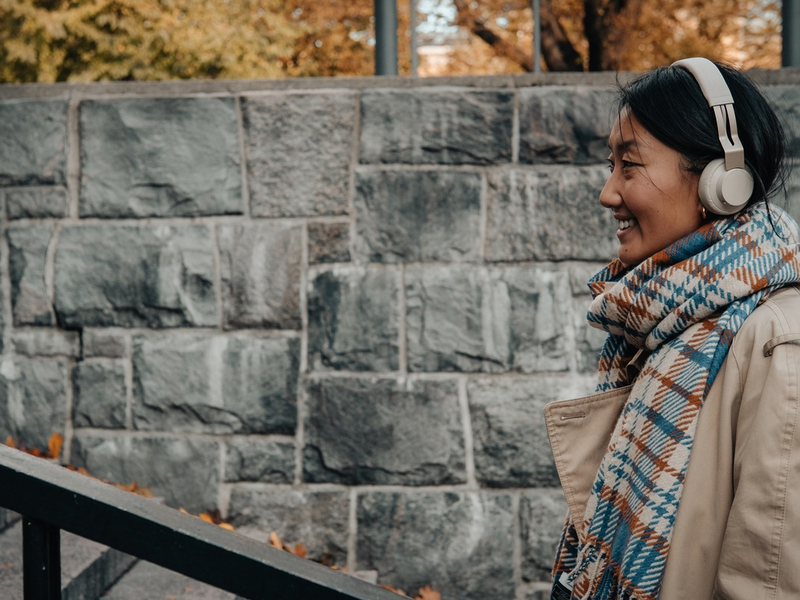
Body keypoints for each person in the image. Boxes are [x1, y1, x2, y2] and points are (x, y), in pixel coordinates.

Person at [544, 57, 800, 600]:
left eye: (628, 166)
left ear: (721, 182)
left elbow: (771, 583)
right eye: (609, 165)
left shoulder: (777, 341)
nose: (608, 192)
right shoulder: (666, 327)